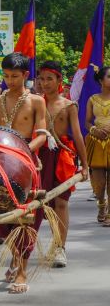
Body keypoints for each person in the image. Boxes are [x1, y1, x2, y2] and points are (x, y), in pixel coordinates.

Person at [0, 52, 48, 294]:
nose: (9, 81)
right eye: (6, 76)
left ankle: (22, 272)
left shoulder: (36, 101)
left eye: (15, 76)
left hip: (25, 160)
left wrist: (22, 151)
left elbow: (43, 135)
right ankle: (15, 257)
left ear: (25, 75)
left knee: (26, 215)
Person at [38, 61, 89, 268]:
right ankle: (49, 242)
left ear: (59, 80)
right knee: (43, 204)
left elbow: (77, 135)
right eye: (41, 79)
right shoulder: (35, 103)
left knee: (60, 203)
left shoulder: (69, 106)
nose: (44, 83)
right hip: (40, 156)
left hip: (62, 156)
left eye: (49, 78)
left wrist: (85, 165)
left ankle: (60, 247)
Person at [85, 66, 110, 224]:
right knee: (99, 182)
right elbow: (86, 122)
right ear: (101, 80)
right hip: (97, 141)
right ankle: (101, 204)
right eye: (109, 76)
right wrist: (94, 130)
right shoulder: (93, 99)